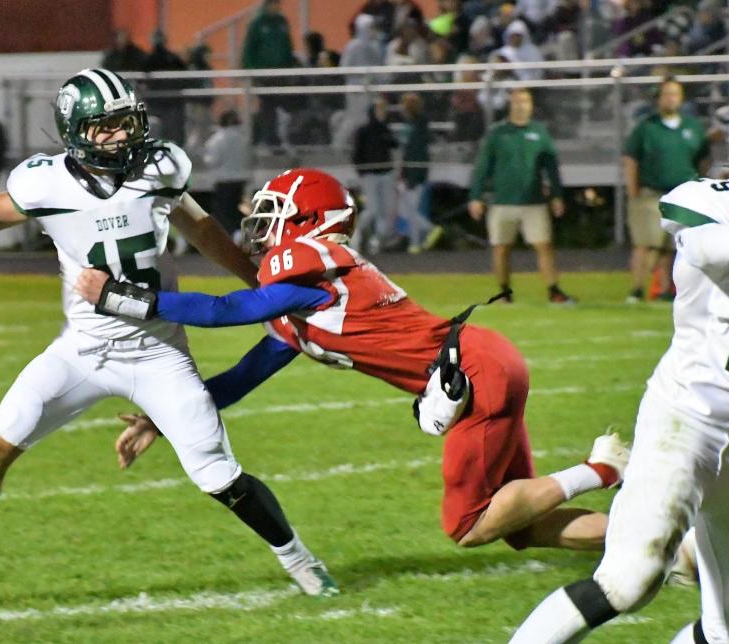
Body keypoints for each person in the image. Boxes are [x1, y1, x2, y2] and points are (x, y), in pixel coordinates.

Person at [0, 69, 337, 599]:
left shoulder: (160, 165)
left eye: (127, 122)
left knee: (218, 475)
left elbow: (204, 230)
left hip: (157, 348)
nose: (123, 135)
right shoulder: (43, 181)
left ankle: (302, 562)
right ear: (75, 131)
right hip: (82, 350)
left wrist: (260, 287)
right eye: (107, 126)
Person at [75, 167, 632, 555]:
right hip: (477, 364)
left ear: (306, 219)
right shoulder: (302, 297)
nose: (263, 226)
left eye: (275, 212)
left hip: (473, 372)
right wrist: (162, 419)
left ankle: (604, 469)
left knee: (466, 525)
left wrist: (122, 296)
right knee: (520, 525)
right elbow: (243, 377)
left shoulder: (312, 264)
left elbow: (226, 310)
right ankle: (658, 543)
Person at [508, 177, 729, 643]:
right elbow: (688, 222)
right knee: (629, 580)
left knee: (724, 629)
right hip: (686, 420)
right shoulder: (707, 197)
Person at [469, 88, 574, 304]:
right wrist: (476, 196)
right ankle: (504, 292)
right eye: (516, 101)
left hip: (533, 201)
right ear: (510, 105)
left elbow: (551, 168)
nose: (521, 105)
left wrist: (556, 195)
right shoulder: (497, 133)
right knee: (501, 249)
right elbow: (483, 168)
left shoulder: (539, 132)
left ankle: (554, 290)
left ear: (531, 105)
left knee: (543, 245)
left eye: (525, 101)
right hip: (502, 201)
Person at [624, 79, 710, 303]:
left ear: (681, 98)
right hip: (652, 192)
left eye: (675, 94)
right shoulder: (647, 127)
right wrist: (633, 190)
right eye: (667, 94)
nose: (671, 98)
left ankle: (666, 290)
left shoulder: (692, 127)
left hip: (683, 195)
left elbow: (703, 160)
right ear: (659, 98)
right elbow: (631, 159)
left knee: (673, 248)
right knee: (645, 243)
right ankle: (636, 290)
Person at [242, 0, 296, 147]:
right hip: (264, 73)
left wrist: (290, 68)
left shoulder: (282, 22)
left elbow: (288, 45)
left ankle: (283, 137)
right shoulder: (257, 24)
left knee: (284, 106)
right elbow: (249, 49)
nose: (277, 7)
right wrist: (250, 69)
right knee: (267, 107)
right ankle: (267, 138)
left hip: (281, 73)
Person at [397, 93, 442, 254]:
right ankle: (424, 234)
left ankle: (417, 241)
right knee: (409, 210)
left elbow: (415, 154)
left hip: (414, 175)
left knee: (411, 211)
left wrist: (411, 176)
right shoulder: (415, 126)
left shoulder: (416, 128)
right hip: (413, 174)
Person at [352, 97, 397, 254]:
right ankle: (355, 233)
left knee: (386, 211)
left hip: (386, 174)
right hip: (370, 175)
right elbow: (357, 154)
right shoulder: (363, 131)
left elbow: (394, 144)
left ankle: (377, 241)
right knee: (372, 210)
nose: (382, 113)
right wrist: (362, 173)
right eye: (379, 110)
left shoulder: (385, 129)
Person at [335, 13, 385, 149]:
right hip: (356, 90)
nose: (374, 30)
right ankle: (337, 147)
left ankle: (364, 148)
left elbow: (378, 68)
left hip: (371, 90)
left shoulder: (375, 47)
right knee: (353, 119)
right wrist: (359, 78)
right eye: (371, 27)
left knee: (367, 120)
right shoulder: (353, 46)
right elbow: (344, 68)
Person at [203, 110, 250, 237]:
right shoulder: (243, 138)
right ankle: (243, 229)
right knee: (235, 207)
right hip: (240, 178)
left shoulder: (217, 139)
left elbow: (212, 160)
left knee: (223, 211)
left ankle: (235, 233)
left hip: (224, 179)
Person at [142, 31, 187, 145]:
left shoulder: (150, 59)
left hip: (158, 102)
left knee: (157, 133)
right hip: (171, 101)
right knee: (172, 134)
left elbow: (142, 78)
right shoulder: (172, 58)